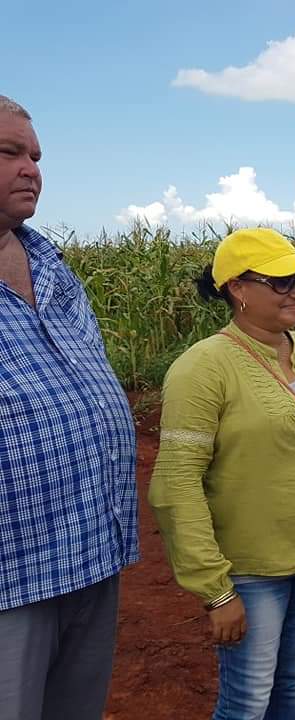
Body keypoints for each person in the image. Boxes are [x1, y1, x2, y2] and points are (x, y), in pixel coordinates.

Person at [148, 227, 295, 720]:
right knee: (247, 700)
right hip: (252, 568)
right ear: (237, 288)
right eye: (281, 282)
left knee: (294, 681)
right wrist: (216, 590)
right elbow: (177, 483)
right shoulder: (203, 368)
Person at [0, 96, 139, 720]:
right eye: (10, 153)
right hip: (13, 576)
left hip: (90, 551)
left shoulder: (52, 265)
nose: (31, 169)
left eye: (36, 157)